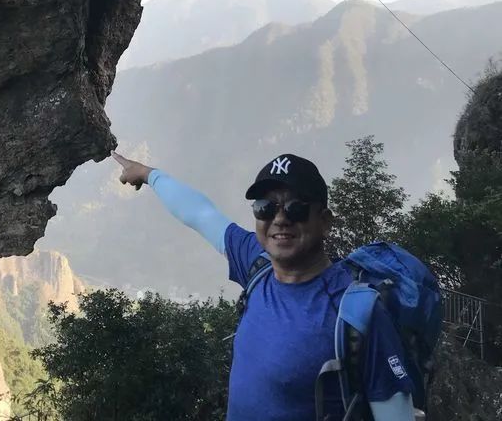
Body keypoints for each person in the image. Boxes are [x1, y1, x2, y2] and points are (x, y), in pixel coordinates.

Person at [112, 150, 416, 421]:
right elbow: (201, 214)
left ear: (324, 221)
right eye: (265, 207)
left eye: (296, 208)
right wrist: (149, 175)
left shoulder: (357, 313)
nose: (280, 219)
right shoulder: (257, 265)